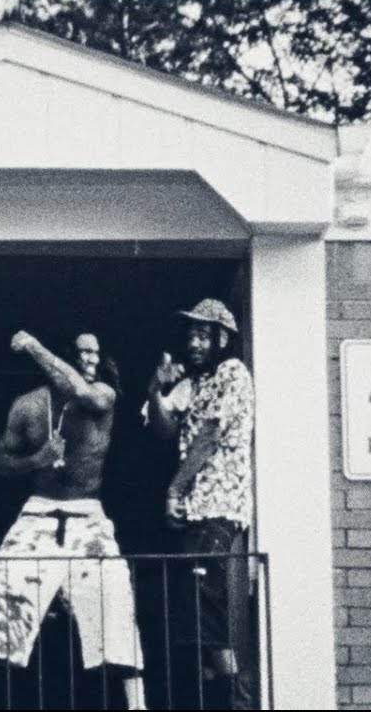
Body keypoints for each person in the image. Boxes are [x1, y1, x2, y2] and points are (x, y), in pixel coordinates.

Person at [0, 331, 146, 710]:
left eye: (96, 352)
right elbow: (1, 461)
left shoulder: (102, 394)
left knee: (115, 597)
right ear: (68, 354)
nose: (92, 359)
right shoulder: (28, 405)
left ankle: (138, 704)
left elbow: (85, 395)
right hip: (38, 513)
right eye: (84, 352)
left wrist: (32, 346)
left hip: (88, 515)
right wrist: (37, 460)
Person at [145, 298, 257, 709]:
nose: (194, 342)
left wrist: (173, 490)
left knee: (207, 611)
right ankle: (213, 699)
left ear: (222, 339)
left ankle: (236, 702)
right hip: (195, 514)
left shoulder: (232, 372)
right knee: (193, 618)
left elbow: (209, 436)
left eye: (203, 335)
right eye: (190, 334)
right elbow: (161, 428)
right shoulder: (194, 382)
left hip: (218, 508)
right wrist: (155, 388)